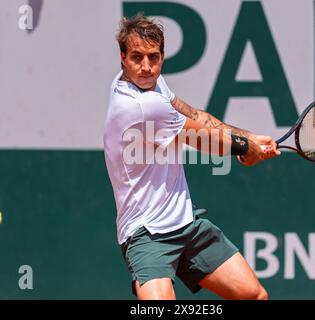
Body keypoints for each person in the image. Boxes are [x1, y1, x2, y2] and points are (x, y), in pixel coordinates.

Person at [103, 14, 280, 300]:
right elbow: (202, 138)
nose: (146, 67)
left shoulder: (153, 85)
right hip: (146, 233)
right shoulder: (140, 105)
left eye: (153, 57)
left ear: (162, 56)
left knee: (254, 296)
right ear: (122, 57)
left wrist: (249, 138)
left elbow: (196, 116)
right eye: (137, 57)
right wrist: (245, 149)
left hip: (186, 224)